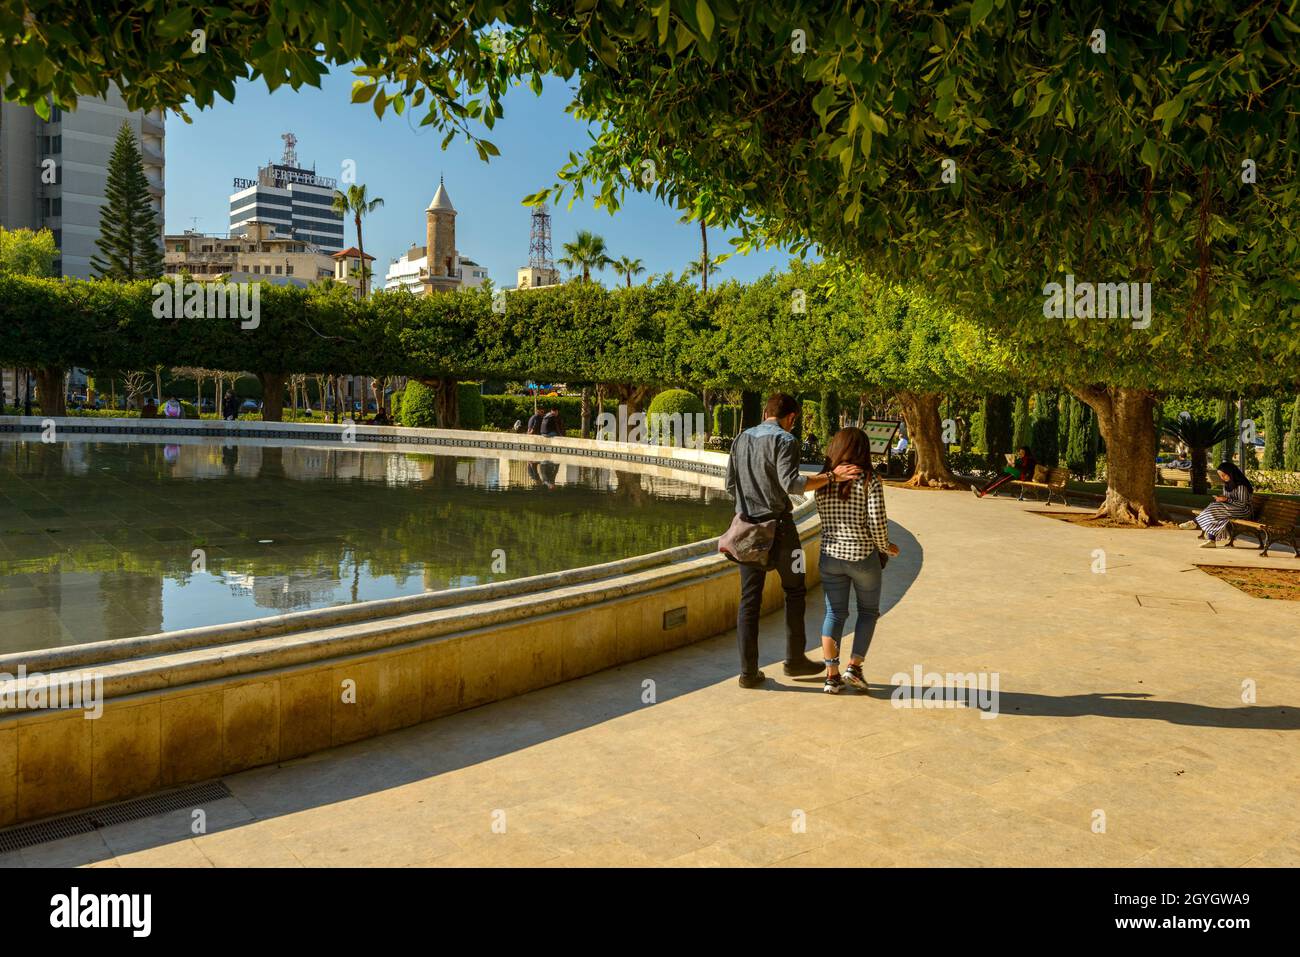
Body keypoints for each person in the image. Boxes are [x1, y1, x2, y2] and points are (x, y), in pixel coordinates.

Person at [725, 392, 862, 688]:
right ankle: (794, 659)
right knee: (795, 590)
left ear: (766, 413)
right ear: (791, 418)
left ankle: (748, 673)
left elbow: (730, 485)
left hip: (746, 531)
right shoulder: (786, 440)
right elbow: (793, 484)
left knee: (749, 600)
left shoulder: (740, 439)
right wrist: (832, 477)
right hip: (782, 531)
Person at [815, 428, 898, 694]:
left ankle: (831, 677)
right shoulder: (869, 479)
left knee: (834, 613)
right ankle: (854, 668)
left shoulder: (823, 479)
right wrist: (886, 547)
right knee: (868, 612)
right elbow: (877, 522)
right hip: (862, 557)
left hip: (830, 556)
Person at [1179, 461, 1253, 547]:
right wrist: (1221, 499)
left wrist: (1226, 499)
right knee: (1217, 514)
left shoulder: (1241, 486)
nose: (1222, 478)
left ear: (1231, 473)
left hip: (1243, 511)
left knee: (1215, 508)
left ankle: (1194, 523)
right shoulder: (1227, 485)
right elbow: (1227, 499)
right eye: (1220, 476)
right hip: (1230, 509)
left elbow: (1242, 504)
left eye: (1224, 475)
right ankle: (1211, 541)